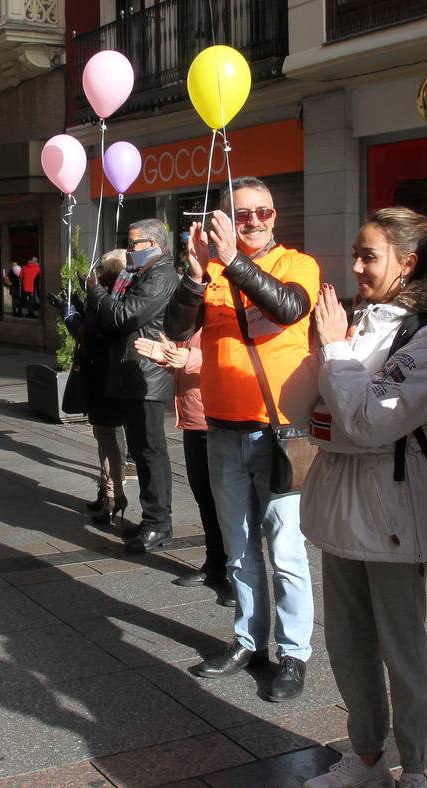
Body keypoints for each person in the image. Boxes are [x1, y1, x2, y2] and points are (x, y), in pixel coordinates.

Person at [300, 210, 427, 788]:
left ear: (407, 263)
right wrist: (331, 364)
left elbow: (368, 421)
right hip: (339, 506)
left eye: (369, 256)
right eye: (355, 253)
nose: (355, 267)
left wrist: (333, 355)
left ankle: (416, 770)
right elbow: (311, 415)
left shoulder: (426, 337)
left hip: (393, 510)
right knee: (348, 647)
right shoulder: (358, 323)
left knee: (403, 652)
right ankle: (367, 759)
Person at [164, 176, 319, 703]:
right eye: (242, 214)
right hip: (222, 430)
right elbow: (178, 328)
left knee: (286, 551)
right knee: (238, 549)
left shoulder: (297, 264)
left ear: (276, 217)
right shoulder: (208, 269)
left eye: (263, 213)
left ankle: (294, 654)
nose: (254, 221)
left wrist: (232, 261)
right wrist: (191, 273)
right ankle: (249, 640)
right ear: (225, 219)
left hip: (278, 431)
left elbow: (288, 308)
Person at [81, 220, 178, 552]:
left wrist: (95, 291)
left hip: (146, 376)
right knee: (142, 451)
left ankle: (158, 524)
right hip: (133, 375)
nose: (128, 250)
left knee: (151, 452)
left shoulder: (161, 276)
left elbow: (125, 317)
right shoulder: (143, 274)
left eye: (133, 244)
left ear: (152, 245)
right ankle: (152, 519)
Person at [135, 328, 232, 604]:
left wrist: (188, 357)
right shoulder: (192, 316)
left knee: (228, 505)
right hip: (194, 420)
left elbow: (231, 354)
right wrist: (169, 358)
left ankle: (239, 579)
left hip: (218, 419)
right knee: (205, 499)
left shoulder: (223, 306)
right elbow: (188, 362)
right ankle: (214, 566)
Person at [61, 250, 130, 526]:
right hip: (99, 375)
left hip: (108, 377)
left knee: (109, 437)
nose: (96, 275)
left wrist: (71, 317)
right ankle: (109, 491)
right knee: (102, 436)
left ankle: (114, 494)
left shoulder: (113, 298)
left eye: (101, 271)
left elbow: (91, 333)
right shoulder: (105, 296)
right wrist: (78, 303)